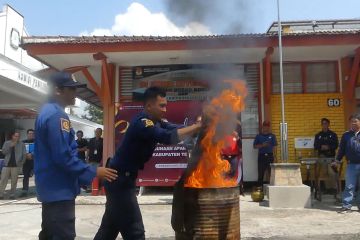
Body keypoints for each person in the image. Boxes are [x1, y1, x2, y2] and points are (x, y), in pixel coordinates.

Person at [94, 86, 202, 240]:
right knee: (135, 231)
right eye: (162, 105)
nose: (165, 109)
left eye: (166, 105)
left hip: (120, 180)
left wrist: (195, 128)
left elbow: (174, 128)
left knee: (109, 229)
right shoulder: (142, 123)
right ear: (149, 106)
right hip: (120, 181)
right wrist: (197, 126)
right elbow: (167, 137)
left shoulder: (155, 121)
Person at [34, 71, 118, 239]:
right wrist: (94, 171)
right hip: (59, 190)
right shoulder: (57, 116)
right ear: (58, 90)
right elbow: (63, 157)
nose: (75, 93)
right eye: (71, 89)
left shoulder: (46, 112)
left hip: (50, 189)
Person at [333, 114, 360, 213]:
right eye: (351, 121)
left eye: (355, 121)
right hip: (351, 165)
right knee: (349, 186)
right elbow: (341, 150)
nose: (353, 123)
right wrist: (337, 160)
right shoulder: (346, 135)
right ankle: (346, 205)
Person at [314, 118, 339, 194]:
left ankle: (334, 188)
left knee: (331, 172)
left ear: (328, 124)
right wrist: (321, 147)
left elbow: (336, 145)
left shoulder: (333, 134)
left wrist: (328, 147)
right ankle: (328, 189)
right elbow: (315, 146)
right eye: (323, 123)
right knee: (324, 173)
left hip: (331, 156)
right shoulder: (318, 135)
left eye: (325, 123)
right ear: (321, 125)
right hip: (322, 157)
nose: (324, 125)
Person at [0, 130, 26, 199]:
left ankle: (12, 194)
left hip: (16, 165)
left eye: (18, 136)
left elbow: (24, 154)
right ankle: (1, 194)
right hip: (6, 164)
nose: (17, 137)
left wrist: (21, 163)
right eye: (16, 136)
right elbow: (4, 152)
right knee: (3, 180)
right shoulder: (7, 143)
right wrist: (10, 146)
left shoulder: (22, 144)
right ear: (12, 136)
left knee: (14, 181)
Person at [253, 121, 277, 188]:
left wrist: (275, 157)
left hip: (270, 156)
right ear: (262, 127)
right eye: (265, 126)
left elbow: (275, 147)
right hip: (261, 156)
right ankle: (259, 189)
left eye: (267, 126)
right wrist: (262, 145)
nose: (266, 128)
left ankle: (272, 188)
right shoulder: (258, 136)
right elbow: (254, 146)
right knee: (261, 174)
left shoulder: (272, 136)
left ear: (269, 127)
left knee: (271, 173)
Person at [21, 129, 35, 197]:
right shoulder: (23, 142)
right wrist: (26, 155)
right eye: (29, 133)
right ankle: (25, 191)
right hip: (26, 162)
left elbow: (39, 150)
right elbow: (20, 151)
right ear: (27, 134)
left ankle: (38, 190)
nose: (31, 135)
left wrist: (32, 154)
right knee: (25, 176)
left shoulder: (37, 142)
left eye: (32, 133)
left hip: (35, 161)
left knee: (37, 176)